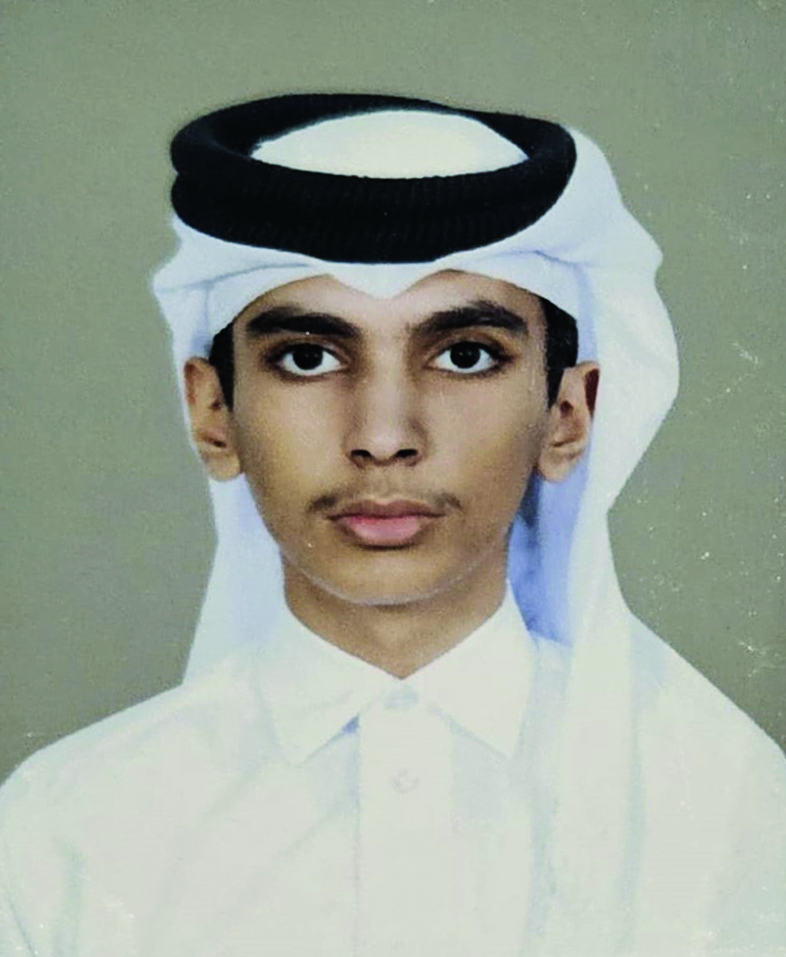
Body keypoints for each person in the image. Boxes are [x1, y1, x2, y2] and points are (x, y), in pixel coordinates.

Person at [0, 93, 783, 957]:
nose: (382, 436)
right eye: (308, 357)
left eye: (464, 355)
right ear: (212, 412)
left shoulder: (731, 818)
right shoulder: (61, 836)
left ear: (569, 414)